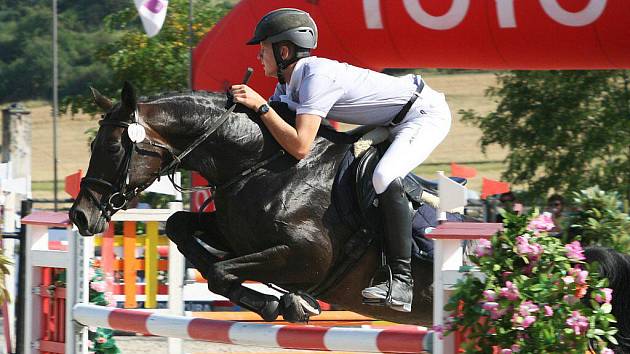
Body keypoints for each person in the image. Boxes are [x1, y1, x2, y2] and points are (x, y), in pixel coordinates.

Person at [230, 8, 452, 313]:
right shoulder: (288, 83)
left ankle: (401, 281)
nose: (259, 57)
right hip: (390, 120)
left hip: (423, 115)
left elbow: (300, 145)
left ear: (283, 50)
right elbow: (275, 131)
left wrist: (261, 106)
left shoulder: (315, 77)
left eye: (262, 49)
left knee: (384, 176)